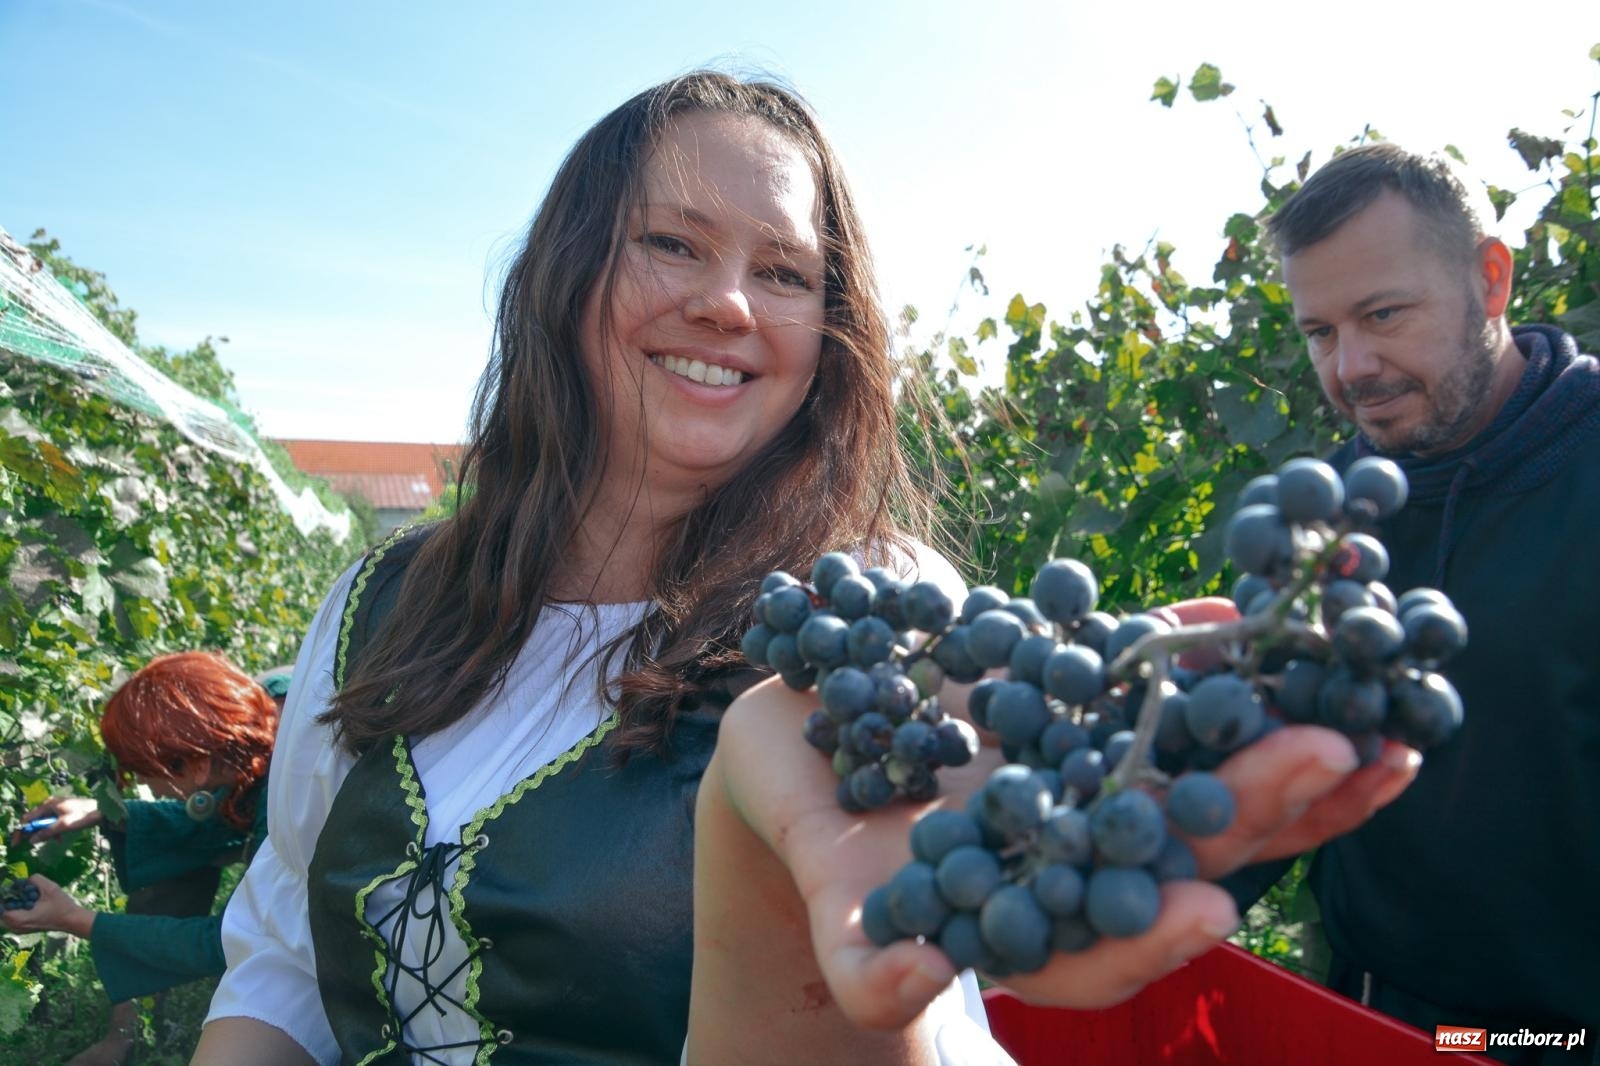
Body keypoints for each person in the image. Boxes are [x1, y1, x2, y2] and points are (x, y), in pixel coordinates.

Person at [193, 72, 1418, 1066]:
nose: (729, 302)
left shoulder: (872, 620)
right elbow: (286, 951)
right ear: (565, 278)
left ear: (825, 333)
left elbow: (933, 1012)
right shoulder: (381, 602)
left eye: (782, 271)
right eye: (673, 243)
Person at [1225, 142, 1600, 1063]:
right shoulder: (1321, 517)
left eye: (1383, 313)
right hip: (1371, 1019)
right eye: (1319, 332)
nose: (1352, 368)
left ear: (1491, 278)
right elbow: (1276, 758)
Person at [3, 651, 277, 1066]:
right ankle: (123, 1037)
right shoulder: (261, 720)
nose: (137, 783)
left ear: (198, 765)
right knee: (169, 845)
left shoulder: (288, 810)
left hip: (349, 945)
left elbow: (234, 939)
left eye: (139, 771)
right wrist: (102, 811)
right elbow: (213, 819)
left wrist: (75, 919)